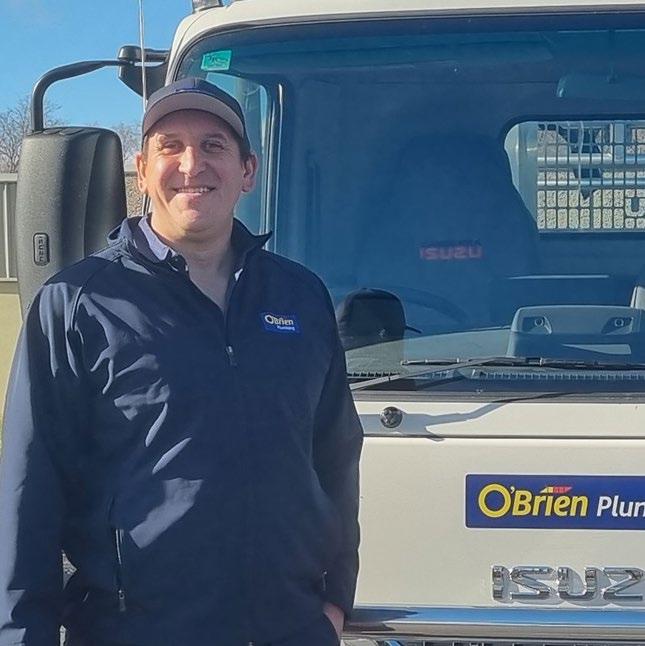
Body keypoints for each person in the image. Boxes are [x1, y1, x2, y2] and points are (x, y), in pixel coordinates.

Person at [0, 77, 363, 646]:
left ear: (248, 171)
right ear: (142, 171)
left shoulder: (301, 296)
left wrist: (336, 597)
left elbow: (336, 454)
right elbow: (30, 490)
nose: (192, 164)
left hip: (289, 629)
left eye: (214, 145)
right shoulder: (78, 304)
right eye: (170, 147)